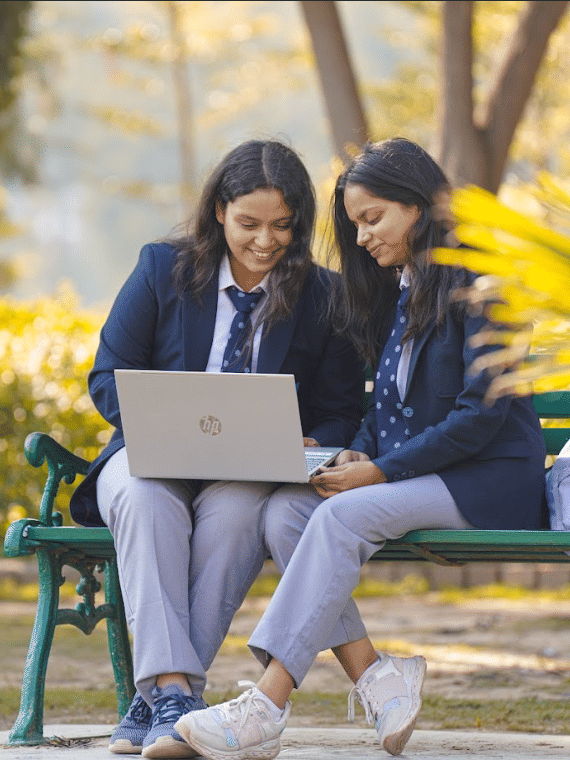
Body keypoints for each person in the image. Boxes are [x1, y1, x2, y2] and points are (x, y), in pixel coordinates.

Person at [174, 137, 547, 760]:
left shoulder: (487, 285)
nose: (363, 237)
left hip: (489, 480)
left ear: (419, 205)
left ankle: (265, 705)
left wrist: (380, 471)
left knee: (341, 516)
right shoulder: (405, 288)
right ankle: (377, 677)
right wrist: (356, 453)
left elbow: (479, 417)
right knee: (287, 513)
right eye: (355, 224)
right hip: (429, 476)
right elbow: (387, 407)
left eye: (373, 218)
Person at [67, 138, 366, 758]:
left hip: (248, 469)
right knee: (144, 501)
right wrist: (159, 424)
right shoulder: (163, 268)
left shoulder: (323, 295)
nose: (265, 241)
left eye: (282, 225)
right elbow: (107, 374)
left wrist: (315, 440)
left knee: (236, 518)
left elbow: (341, 407)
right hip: (151, 456)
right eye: (248, 224)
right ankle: (176, 696)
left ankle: (160, 701)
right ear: (219, 212)